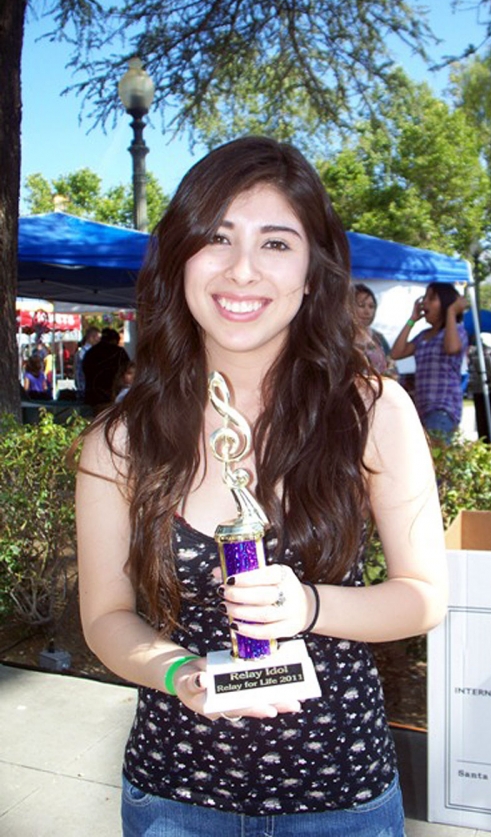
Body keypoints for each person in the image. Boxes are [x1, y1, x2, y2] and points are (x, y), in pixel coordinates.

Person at [75, 136, 448, 836]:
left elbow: (423, 596)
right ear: (180, 259)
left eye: (276, 243)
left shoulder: (372, 411)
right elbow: (105, 617)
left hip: (342, 796)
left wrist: (305, 604)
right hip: (175, 793)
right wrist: (180, 671)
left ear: (312, 271)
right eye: (217, 238)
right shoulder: (120, 439)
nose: (243, 269)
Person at [390, 282, 468, 442]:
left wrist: (451, 312)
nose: (424, 302)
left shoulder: (456, 330)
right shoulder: (423, 335)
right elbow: (396, 353)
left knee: (436, 459)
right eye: (424, 297)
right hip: (422, 409)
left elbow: (452, 348)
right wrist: (412, 319)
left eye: (431, 298)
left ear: (446, 303)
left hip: (442, 408)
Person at [81, 327, 130, 414]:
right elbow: (126, 369)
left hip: (94, 395)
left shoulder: (91, 352)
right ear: (115, 340)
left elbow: (85, 371)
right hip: (111, 394)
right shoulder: (119, 352)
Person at [353, 283, 397, 377]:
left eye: (371, 306)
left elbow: (392, 368)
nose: (367, 311)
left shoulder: (378, 338)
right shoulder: (341, 337)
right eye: (361, 305)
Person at [74, 326, 101, 400]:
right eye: (98, 338)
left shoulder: (81, 352)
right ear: (91, 338)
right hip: (86, 390)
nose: (99, 341)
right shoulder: (86, 352)